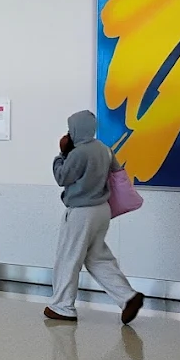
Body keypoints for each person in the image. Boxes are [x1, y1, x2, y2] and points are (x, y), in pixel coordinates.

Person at [44, 110, 143, 325]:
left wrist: (61, 155)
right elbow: (116, 173)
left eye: (70, 129)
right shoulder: (105, 149)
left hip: (81, 212)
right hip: (102, 210)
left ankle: (62, 306)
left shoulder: (79, 153)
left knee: (68, 257)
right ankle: (127, 297)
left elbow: (62, 177)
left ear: (77, 129)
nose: (68, 133)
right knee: (97, 258)